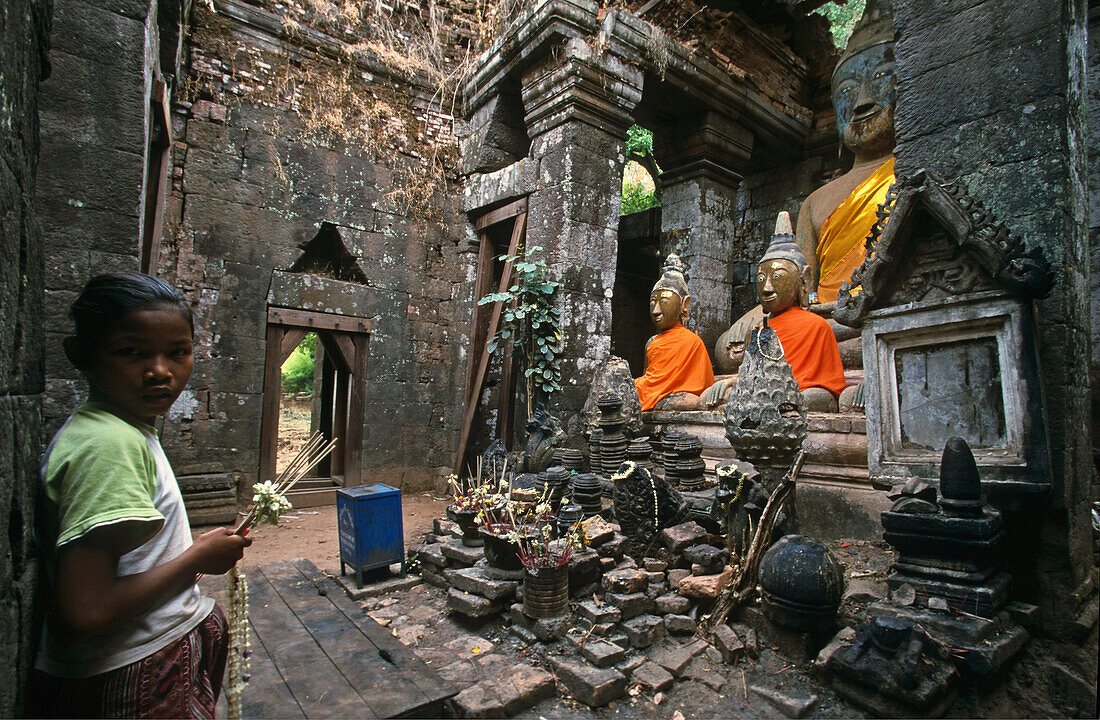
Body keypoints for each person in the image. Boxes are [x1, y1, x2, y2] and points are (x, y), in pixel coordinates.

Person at [28, 273, 251, 719]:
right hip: (136, 672)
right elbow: (84, 611)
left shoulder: (126, 429)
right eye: (131, 352)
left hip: (143, 660)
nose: (160, 371)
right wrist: (195, 559)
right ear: (81, 354)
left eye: (178, 353)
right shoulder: (109, 444)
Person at [717, 0, 895, 372]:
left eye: (881, 81)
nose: (862, 102)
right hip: (821, 311)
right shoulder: (817, 200)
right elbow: (801, 278)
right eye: (848, 92)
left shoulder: (911, 173)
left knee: (881, 324)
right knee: (727, 347)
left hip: (869, 310)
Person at [704, 213, 846, 412]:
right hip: (764, 391)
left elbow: (827, 384)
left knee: (812, 397)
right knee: (713, 396)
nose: (767, 287)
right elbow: (753, 373)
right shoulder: (761, 329)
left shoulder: (817, 325)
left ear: (803, 281)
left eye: (778, 277)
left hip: (800, 391)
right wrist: (728, 382)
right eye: (761, 279)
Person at [634, 254, 715, 412]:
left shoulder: (693, 342)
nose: (656, 310)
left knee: (691, 402)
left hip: (678, 398)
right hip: (653, 397)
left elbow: (703, 386)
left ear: (684, 305)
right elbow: (649, 381)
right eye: (653, 302)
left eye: (664, 302)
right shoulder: (652, 342)